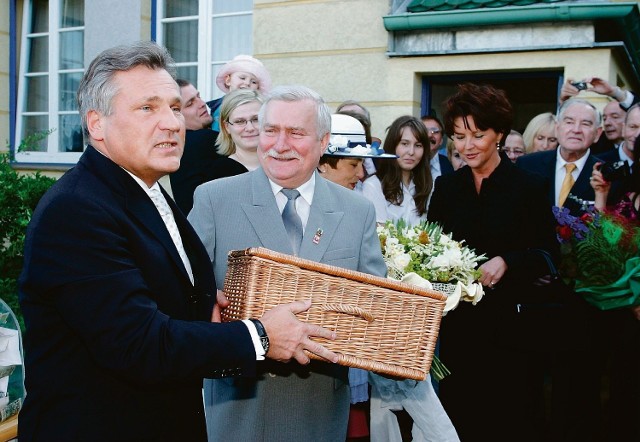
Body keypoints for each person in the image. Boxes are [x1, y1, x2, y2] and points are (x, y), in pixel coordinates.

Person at [17, 42, 339, 442]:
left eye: (173, 107)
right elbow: (139, 345)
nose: (171, 123)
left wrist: (206, 305)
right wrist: (260, 336)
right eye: (147, 108)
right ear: (97, 124)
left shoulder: (145, 190)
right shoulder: (77, 210)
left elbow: (156, 295)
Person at [188, 84, 388, 442]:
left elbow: (375, 311)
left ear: (323, 141)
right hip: (238, 409)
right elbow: (183, 294)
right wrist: (207, 306)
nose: (280, 145)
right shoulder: (214, 200)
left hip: (319, 411)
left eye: (296, 133)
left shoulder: (357, 211)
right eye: (271, 131)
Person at [428, 83, 559, 442]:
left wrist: (510, 261)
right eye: (458, 136)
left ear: (499, 134)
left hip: (513, 333)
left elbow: (549, 255)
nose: (467, 146)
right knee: (461, 420)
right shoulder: (447, 189)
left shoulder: (529, 186)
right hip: (460, 332)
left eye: (478, 135)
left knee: (513, 421)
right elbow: (431, 254)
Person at [588, 134, 640, 442]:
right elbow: (604, 244)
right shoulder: (627, 194)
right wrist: (601, 197)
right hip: (626, 315)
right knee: (624, 392)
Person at [361, 116, 433, 224]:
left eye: (418, 145)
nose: (411, 152)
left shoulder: (428, 185)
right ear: (392, 145)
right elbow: (381, 235)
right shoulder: (374, 185)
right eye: (405, 144)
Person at [170, 79, 220, 214]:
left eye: (199, 96)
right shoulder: (203, 140)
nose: (202, 104)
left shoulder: (179, 144)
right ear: (176, 115)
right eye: (190, 104)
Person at [559, 76, 639, 154]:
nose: (607, 123)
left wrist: (614, 92)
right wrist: (564, 101)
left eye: (615, 117)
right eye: (604, 118)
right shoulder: (597, 146)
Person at [208, 89, 263, 179]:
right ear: (227, 127)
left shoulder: (283, 165)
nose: (250, 128)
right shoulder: (220, 173)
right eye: (239, 121)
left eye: (256, 119)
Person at [206, 54, 271, 131]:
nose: (247, 83)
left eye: (253, 82)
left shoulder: (262, 110)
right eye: (242, 78)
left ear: (258, 89)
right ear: (228, 80)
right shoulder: (211, 108)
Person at [421, 114, 454, 180]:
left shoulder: (450, 165)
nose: (430, 135)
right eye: (425, 131)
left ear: (441, 140)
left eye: (435, 132)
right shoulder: (408, 163)